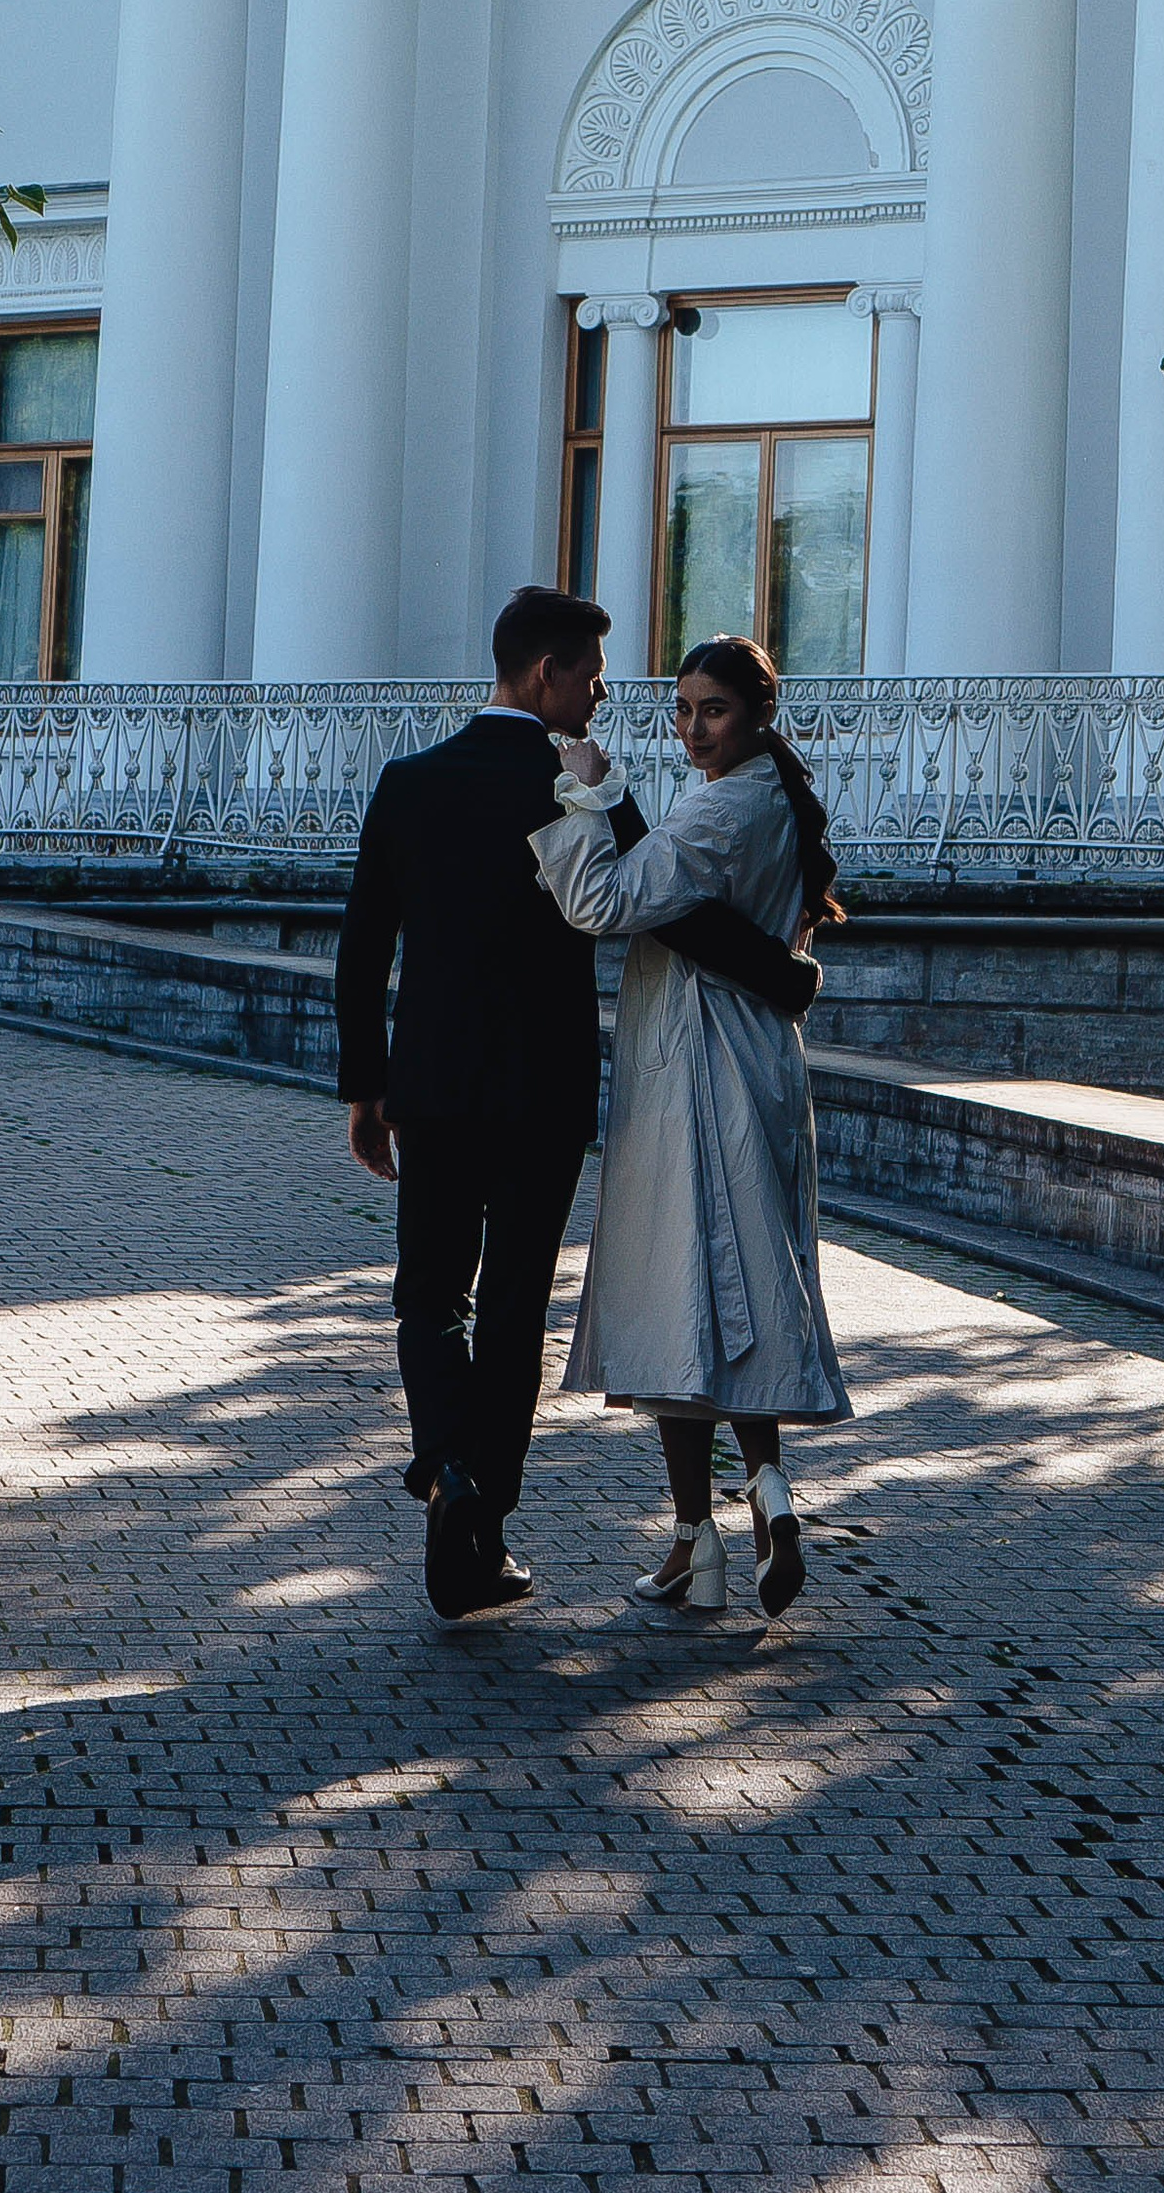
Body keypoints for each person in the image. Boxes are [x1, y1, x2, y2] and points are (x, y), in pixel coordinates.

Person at [337, 586, 815, 1620]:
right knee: (512, 1313)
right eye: (592, 675)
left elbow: (362, 946)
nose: (604, 695)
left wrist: (365, 1089)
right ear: (548, 673)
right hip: (544, 1096)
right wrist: (787, 978)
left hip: (430, 1086)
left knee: (427, 1297)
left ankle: (446, 1472)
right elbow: (671, 916)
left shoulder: (409, 782)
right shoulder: (582, 788)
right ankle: (485, 1528)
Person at [529, 632, 852, 1620]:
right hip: (755, 1062)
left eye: (711, 709)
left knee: (678, 1296)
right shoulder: (770, 800)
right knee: (743, 1291)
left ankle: (691, 1537)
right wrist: (620, 798)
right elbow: (679, 885)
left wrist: (580, 791)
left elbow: (605, 900)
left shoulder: (722, 804)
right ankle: (760, 1503)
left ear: (757, 714)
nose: (692, 728)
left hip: (696, 1069)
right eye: (681, 709)